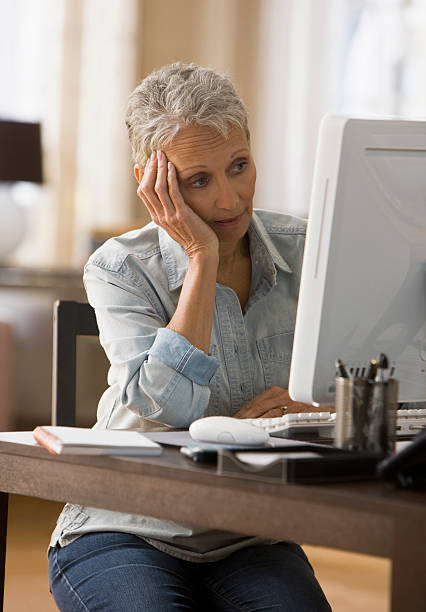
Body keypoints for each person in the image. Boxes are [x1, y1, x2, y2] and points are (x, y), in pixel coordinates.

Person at [48, 62, 331, 611]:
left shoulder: (309, 249)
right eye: (198, 180)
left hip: (251, 533)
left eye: (239, 166)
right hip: (124, 525)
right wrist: (201, 258)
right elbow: (169, 408)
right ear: (153, 184)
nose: (229, 201)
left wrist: (314, 410)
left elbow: (376, 382)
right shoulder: (119, 268)